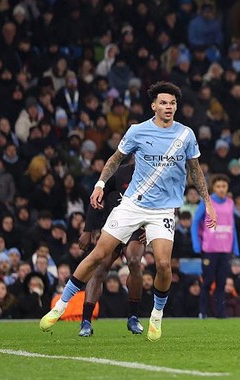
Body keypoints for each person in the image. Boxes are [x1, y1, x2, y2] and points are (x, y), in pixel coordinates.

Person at [40, 82, 217, 341]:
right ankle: (61, 306)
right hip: (132, 204)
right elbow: (114, 159)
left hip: (164, 209)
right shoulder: (137, 131)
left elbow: (195, 170)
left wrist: (208, 201)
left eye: (173, 103)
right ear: (154, 106)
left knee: (164, 265)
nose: (169, 107)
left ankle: (156, 316)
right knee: (99, 255)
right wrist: (100, 184)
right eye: (164, 103)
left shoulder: (186, 135)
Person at [76, 158, 146, 337]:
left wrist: (153, 228)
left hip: (138, 229)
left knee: (134, 261)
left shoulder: (154, 174)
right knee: (100, 269)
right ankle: (86, 321)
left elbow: (164, 204)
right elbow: (97, 196)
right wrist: (88, 229)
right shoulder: (120, 172)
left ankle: (133, 317)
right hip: (114, 227)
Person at [191, 174, 240, 318]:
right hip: (210, 249)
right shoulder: (207, 202)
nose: (221, 189)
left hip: (225, 249)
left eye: (224, 186)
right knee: (207, 283)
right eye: (218, 186)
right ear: (213, 187)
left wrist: (235, 247)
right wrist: (196, 243)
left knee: (221, 283)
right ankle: (203, 312)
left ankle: (220, 313)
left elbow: (232, 226)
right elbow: (195, 223)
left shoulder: (230, 203)